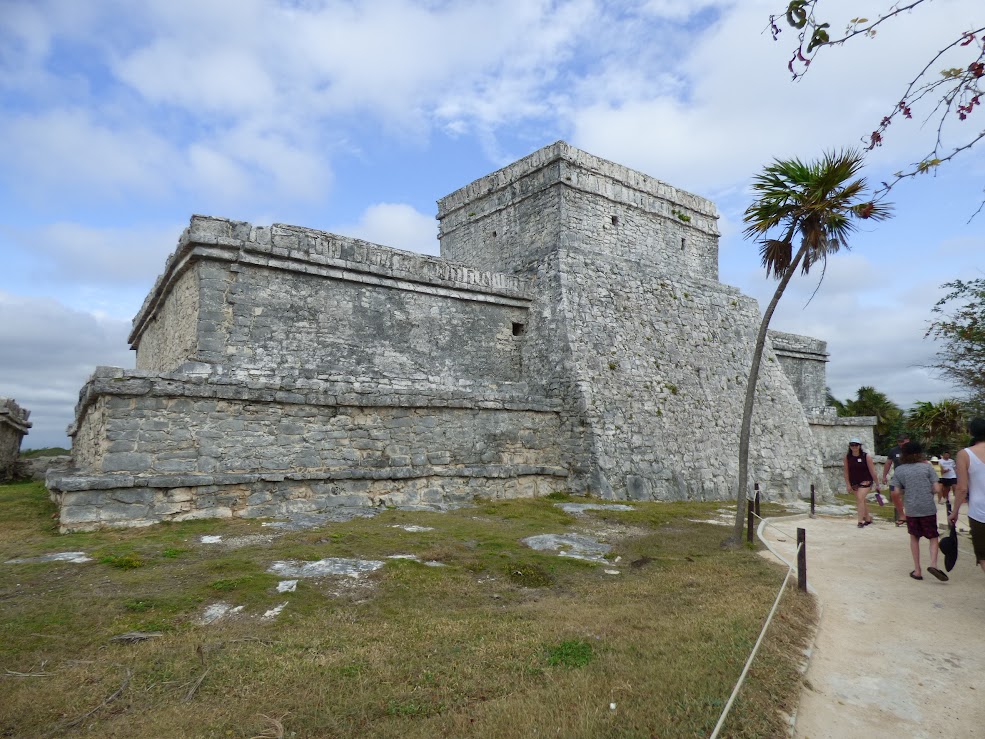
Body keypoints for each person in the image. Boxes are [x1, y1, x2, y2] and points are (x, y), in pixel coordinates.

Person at [893, 440, 947, 581]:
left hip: (911, 509)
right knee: (933, 537)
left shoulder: (899, 470)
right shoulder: (927, 468)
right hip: (927, 508)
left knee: (914, 538)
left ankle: (917, 570)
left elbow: (896, 492)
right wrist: (929, 491)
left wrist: (901, 512)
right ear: (919, 453)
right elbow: (937, 488)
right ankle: (933, 564)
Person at [949, 418, 985, 576]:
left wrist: (955, 511)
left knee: (983, 554)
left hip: (979, 511)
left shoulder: (964, 454)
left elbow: (962, 488)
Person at [844, 438, 880, 528]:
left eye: (856, 445)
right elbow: (846, 471)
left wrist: (877, 483)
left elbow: (872, 470)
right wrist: (848, 484)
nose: (854, 447)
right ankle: (868, 518)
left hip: (866, 479)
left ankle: (860, 521)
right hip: (854, 481)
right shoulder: (847, 457)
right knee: (862, 500)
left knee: (860, 498)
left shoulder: (866, 456)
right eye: (852, 445)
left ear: (860, 446)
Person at [883, 434, 910, 526]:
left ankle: (911, 517)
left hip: (911, 475)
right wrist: (884, 476)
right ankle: (901, 515)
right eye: (899, 441)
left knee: (910, 497)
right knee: (894, 493)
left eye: (902, 441)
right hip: (898, 476)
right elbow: (888, 463)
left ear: (907, 440)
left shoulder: (912, 449)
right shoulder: (894, 450)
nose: (900, 443)